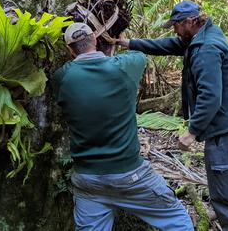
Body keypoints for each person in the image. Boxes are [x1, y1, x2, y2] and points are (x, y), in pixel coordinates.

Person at [116, 0, 228, 231]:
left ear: (190, 22)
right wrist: (130, 43)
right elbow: (170, 45)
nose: (174, 30)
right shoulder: (204, 35)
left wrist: (192, 132)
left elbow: (210, 97)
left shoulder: (206, 50)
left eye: (177, 25)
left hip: (227, 132)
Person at [53, 22, 193, 231]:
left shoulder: (62, 77)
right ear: (97, 40)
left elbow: (74, 71)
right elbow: (140, 56)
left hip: (88, 180)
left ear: (69, 49)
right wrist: (111, 50)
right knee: (177, 220)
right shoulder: (124, 66)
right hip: (131, 176)